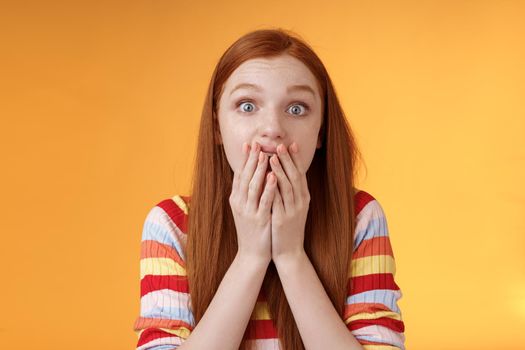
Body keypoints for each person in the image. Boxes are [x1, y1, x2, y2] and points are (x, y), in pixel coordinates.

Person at [133, 28, 405, 350]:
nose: (273, 129)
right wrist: (251, 256)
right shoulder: (170, 224)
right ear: (217, 125)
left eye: (296, 109)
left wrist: (291, 256)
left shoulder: (361, 218)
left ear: (320, 132)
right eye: (247, 106)